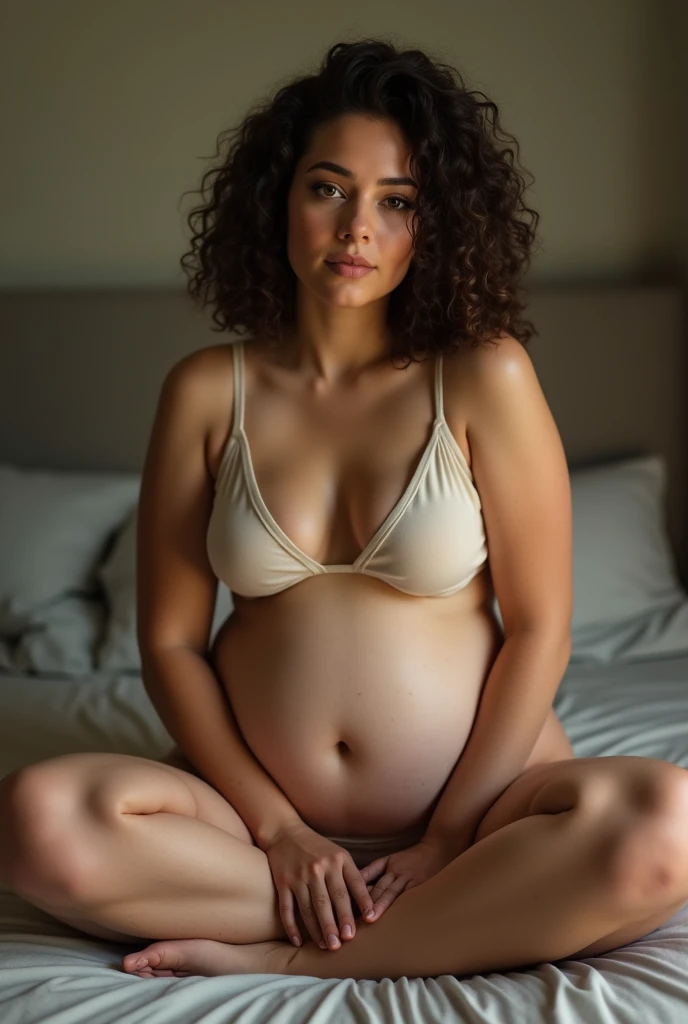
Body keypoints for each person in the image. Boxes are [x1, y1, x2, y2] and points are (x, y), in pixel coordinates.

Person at [2, 38, 688, 984]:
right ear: (278, 197)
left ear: (433, 225)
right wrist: (280, 830)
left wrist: (449, 838)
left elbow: (540, 629)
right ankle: (431, 923)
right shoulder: (208, 391)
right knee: (37, 819)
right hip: (252, 829)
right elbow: (168, 644)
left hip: (481, 816)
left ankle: (296, 957)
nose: (357, 227)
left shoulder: (483, 375)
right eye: (329, 188)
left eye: (397, 202)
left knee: (668, 827)